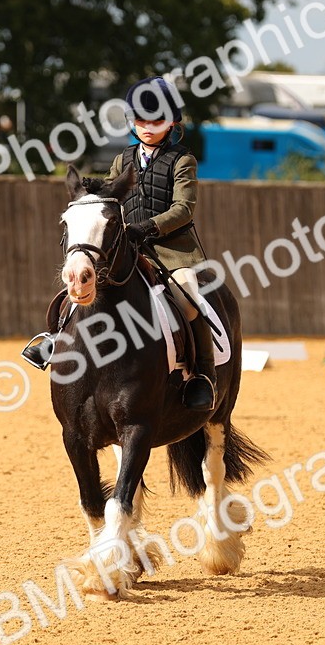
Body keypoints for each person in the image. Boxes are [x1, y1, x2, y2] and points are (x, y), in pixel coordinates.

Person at [21, 76, 216, 412]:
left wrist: (147, 228)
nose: (148, 128)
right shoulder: (123, 158)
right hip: (127, 247)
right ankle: (56, 340)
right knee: (79, 287)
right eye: (141, 121)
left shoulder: (182, 160)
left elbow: (183, 209)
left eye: (156, 121)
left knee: (187, 299)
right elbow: (113, 193)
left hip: (171, 250)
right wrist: (92, 189)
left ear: (172, 122)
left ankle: (200, 374)